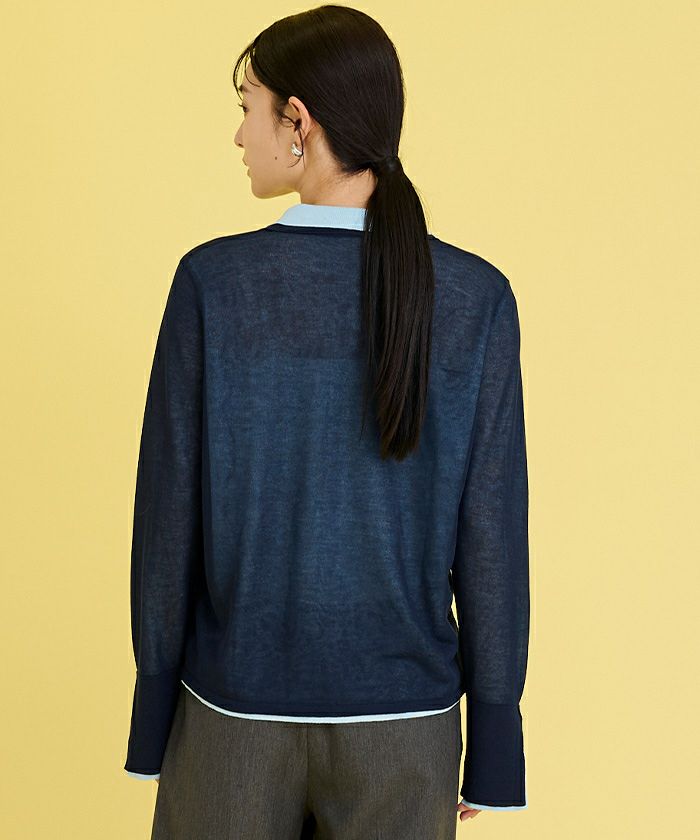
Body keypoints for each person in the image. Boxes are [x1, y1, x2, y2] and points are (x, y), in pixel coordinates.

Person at [123, 5, 530, 838]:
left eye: (248, 107)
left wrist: (154, 706)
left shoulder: (213, 284)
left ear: (298, 121)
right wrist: (494, 740)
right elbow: (492, 537)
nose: (240, 134)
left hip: (231, 721)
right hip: (404, 730)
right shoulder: (475, 297)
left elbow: (167, 523)